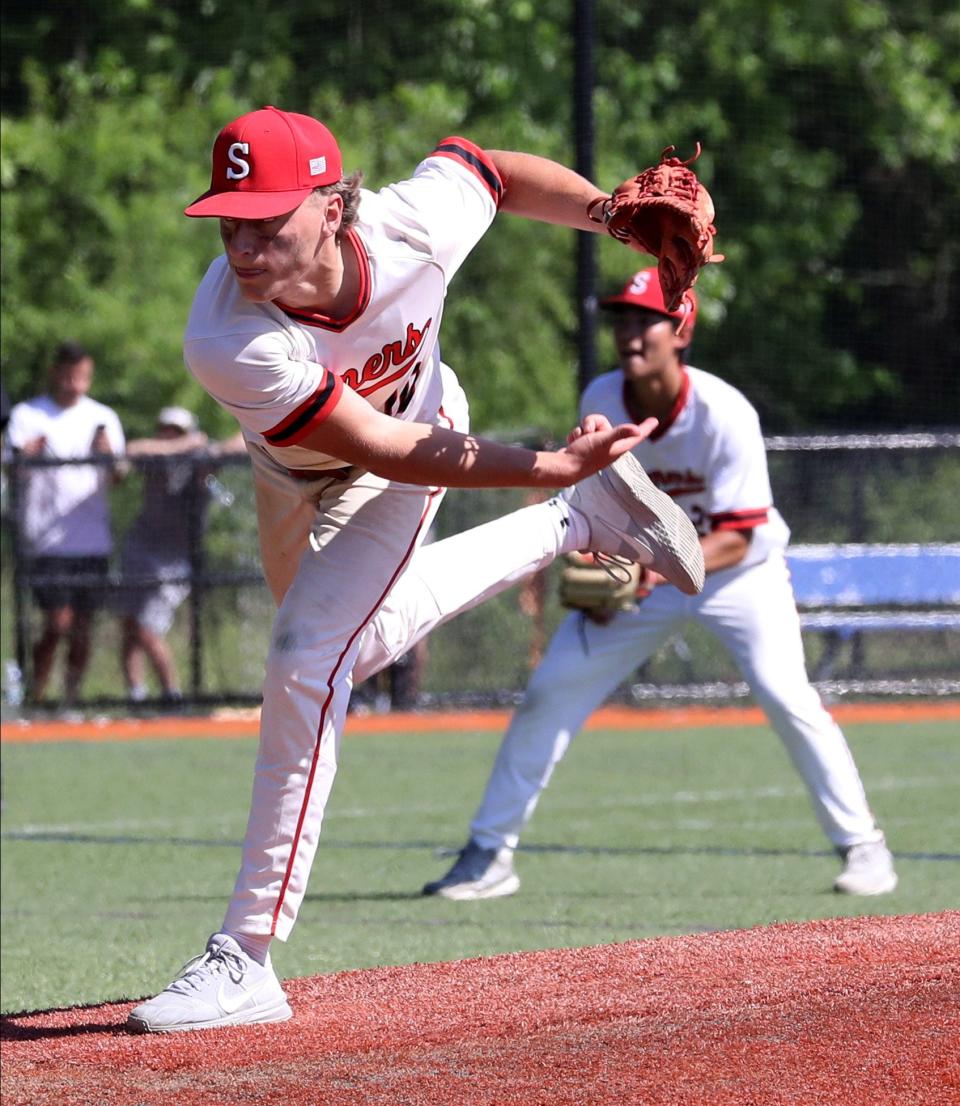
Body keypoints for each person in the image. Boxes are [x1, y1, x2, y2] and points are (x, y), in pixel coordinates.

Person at [127, 107, 705, 1033]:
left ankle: (247, 955)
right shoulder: (225, 335)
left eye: (267, 217)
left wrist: (607, 213)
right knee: (344, 652)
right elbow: (368, 442)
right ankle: (572, 518)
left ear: (331, 204)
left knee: (304, 654)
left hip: (420, 439)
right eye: (229, 218)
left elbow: (493, 170)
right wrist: (549, 470)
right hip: (305, 468)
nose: (242, 241)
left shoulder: (411, 225)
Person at [422, 268, 898, 903]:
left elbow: (741, 535)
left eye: (645, 319)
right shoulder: (603, 396)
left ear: (681, 330)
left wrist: (648, 567)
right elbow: (592, 500)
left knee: (789, 698)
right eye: (621, 320)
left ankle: (863, 846)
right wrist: (599, 566)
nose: (630, 333)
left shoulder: (724, 413)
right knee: (551, 691)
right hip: (644, 580)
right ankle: (487, 856)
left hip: (737, 577)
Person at [5, 342, 125, 707]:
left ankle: (71, 699)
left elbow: (119, 475)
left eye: (83, 376)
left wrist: (107, 455)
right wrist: (25, 457)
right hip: (47, 541)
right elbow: (11, 468)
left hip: (92, 541)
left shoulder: (102, 417)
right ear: (55, 373)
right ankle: (36, 697)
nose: (76, 384)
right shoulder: (28, 415)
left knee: (83, 628)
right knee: (56, 624)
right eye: (70, 375)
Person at [115, 406, 215, 703]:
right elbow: (131, 449)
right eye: (166, 429)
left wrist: (193, 445)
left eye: (177, 431)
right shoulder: (154, 457)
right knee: (129, 624)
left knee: (147, 628)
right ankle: (137, 693)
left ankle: (172, 693)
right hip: (140, 550)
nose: (169, 435)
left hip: (174, 560)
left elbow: (218, 449)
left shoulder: (198, 462)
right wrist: (176, 446)